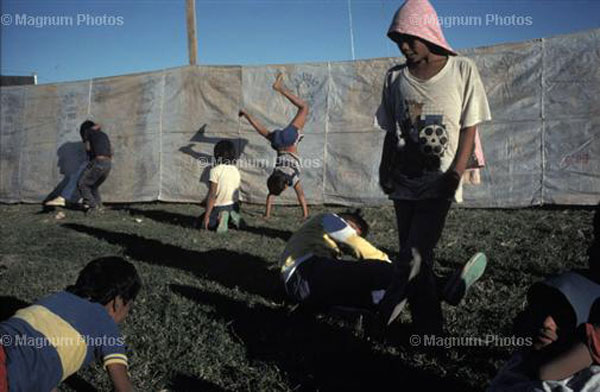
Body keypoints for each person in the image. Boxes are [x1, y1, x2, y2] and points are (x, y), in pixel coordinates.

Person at [375, 0, 492, 334]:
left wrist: (454, 175)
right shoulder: (394, 78)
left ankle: (383, 316)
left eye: (410, 38)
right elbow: (391, 130)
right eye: (398, 40)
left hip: (439, 181)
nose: (404, 46)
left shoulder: (461, 69)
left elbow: (470, 126)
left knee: (413, 254)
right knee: (416, 257)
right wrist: (384, 169)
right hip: (403, 181)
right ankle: (431, 326)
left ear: (428, 32)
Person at [280, 209, 487, 328]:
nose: (355, 233)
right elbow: (355, 243)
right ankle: (440, 285)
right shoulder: (327, 218)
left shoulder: (325, 249)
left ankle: (367, 314)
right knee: (372, 270)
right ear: (346, 220)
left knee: (366, 288)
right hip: (305, 272)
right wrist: (392, 266)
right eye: (355, 228)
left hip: (306, 288)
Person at [0, 257, 141, 392]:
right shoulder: (106, 323)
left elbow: (41, 371)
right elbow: (124, 389)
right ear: (118, 302)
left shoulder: (56, 298)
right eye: (129, 307)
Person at [239, 73, 309, 219]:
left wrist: (305, 214)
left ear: (284, 186)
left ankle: (280, 88)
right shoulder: (275, 176)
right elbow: (270, 196)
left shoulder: (292, 177)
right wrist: (267, 214)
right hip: (278, 142)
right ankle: (246, 114)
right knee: (263, 131)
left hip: (287, 141)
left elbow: (301, 195)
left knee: (304, 108)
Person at [44, 120, 94, 207]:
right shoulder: (97, 137)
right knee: (81, 180)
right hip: (97, 163)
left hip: (96, 163)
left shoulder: (92, 139)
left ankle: (64, 197)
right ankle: (88, 202)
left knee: (76, 177)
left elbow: (89, 149)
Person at [200, 140, 243, 232]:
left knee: (201, 222)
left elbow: (212, 195)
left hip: (220, 206)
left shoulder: (215, 171)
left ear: (216, 154)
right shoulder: (235, 170)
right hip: (234, 206)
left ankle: (221, 217)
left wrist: (206, 217)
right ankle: (232, 217)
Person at [78, 120, 112, 213]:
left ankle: (93, 206)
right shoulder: (103, 135)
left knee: (82, 184)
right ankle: (100, 206)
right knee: (93, 186)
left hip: (99, 162)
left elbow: (87, 148)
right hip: (108, 163)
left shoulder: (88, 132)